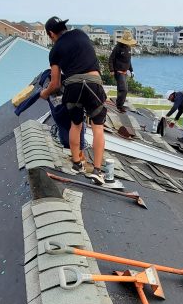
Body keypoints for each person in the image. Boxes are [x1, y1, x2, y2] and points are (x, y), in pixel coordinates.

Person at [39, 16, 107, 185]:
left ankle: (77, 164)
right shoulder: (81, 34)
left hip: (73, 87)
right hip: (93, 83)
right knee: (98, 127)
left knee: (75, 125)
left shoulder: (54, 51)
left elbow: (55, 84)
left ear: (51, 33)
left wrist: (44, 93)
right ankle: (98, 171)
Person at [109, 30, 137, 112]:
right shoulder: (117, 47)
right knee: (124, 89)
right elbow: (111, 59)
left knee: (122, 89)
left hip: (125, 72)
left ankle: (119, 104)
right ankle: (119, 106)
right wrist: (111, 70)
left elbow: (129, 60)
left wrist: (132, 71)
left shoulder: (128, 47)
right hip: (118, 71)